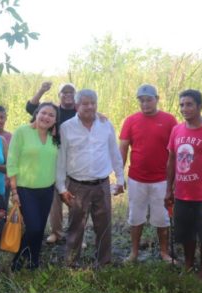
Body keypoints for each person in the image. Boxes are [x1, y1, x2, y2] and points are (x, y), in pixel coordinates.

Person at [57, 89, 124, 268]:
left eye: (93, 103)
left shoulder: (105, 124)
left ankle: (104, 262)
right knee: (75, 226)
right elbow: (61, 158)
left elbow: (114, 152)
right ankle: (71, 263)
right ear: (77, 106)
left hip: (102, 184)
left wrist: (120, 178)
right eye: (85, 103)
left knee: (103, 226)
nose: (89, 107)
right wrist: (62, 188)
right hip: (77, 186)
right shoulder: (67, 127)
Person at [165, 89, 202, 281]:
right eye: (182, 105)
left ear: (200, 106)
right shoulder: (177, 130)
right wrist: (169, 189)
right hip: (182, 195)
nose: (184, 108)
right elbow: (172, 160)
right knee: (186, 233)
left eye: (189, 104)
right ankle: (189, 264)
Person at [119, 84, 178, 262]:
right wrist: (119, 176)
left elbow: (174, 152)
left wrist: (174, 180)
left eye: (149, 99)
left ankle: (164, 252)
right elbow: (123, 148)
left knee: (162, 219)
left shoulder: (169, 120)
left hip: (161, 179)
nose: (145, 104)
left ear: (157, 99)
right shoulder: (131, 120)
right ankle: (134, 252)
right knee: (135, 217)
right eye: (141, 100)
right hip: (137, 178)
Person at [8, 102, 59, 270]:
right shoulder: (22, 132)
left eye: (51, 115)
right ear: (36, 113)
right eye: (44, 113)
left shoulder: (55, 136)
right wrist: (14, 191)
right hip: (25, 189)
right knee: (34, 227)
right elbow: (12, 162)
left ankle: (34, 261)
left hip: (47, 189)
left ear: (55, 120)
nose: (47, 117)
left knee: (40, 228)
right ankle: (18, 261)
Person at [26, 82, 78, 244]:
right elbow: (30, 107)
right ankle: (56, 232)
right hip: (53, 158)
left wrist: (100, 115)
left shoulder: (79, 111)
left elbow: (93, 114)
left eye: (71, 92)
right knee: (55, 199)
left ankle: (76, 233)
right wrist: (41, 89)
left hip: (74, 161)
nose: (68, 95)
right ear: (59, 95)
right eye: (64, 92)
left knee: (74, 198)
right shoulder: (54, 111)